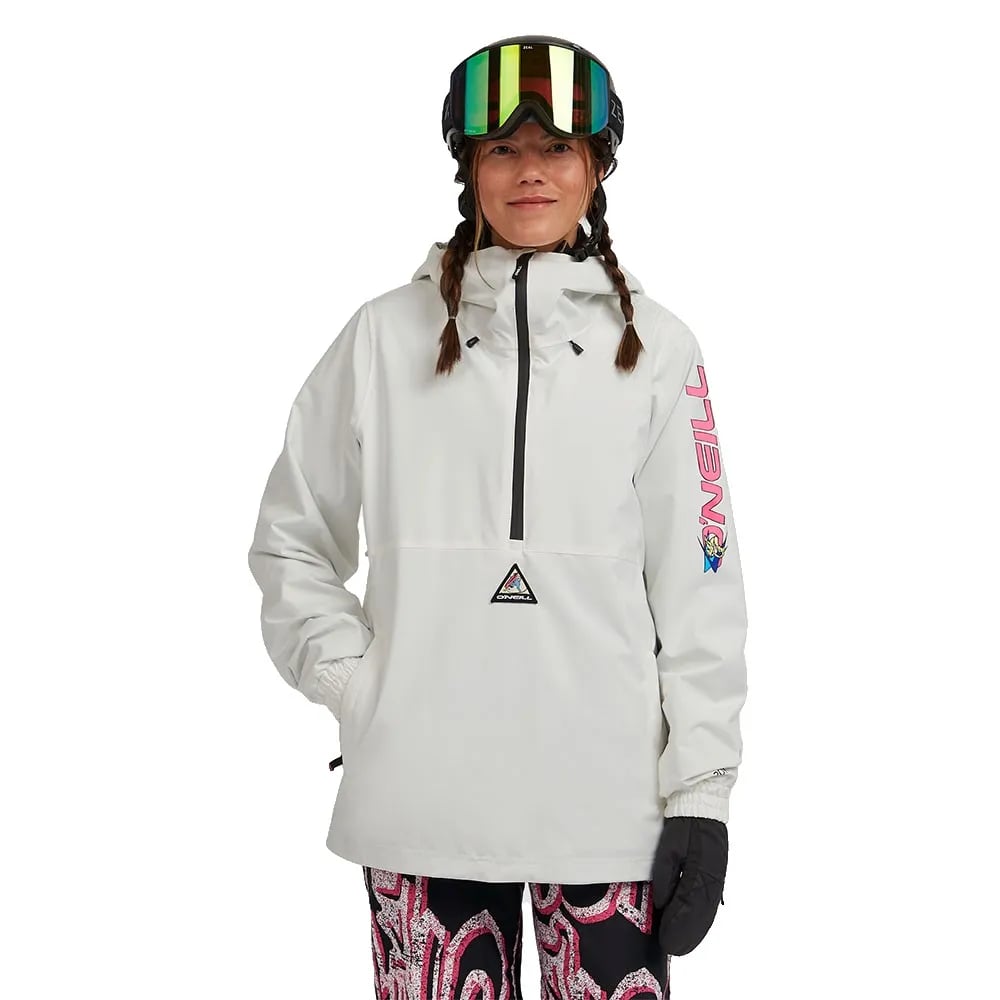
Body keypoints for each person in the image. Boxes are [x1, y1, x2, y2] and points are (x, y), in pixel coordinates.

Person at [247, 34, 749, 998]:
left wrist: (702, 788)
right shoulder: (383, 338)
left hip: (609, 809)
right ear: (468, 168)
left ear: (596, 168)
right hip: (420, 802)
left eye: (558, 148)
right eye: (503, 150)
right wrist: (357, 685)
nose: (531, 172)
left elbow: (702, 581)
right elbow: (291, 538)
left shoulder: (658, 350)